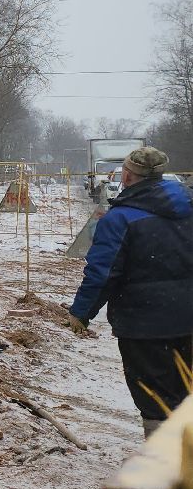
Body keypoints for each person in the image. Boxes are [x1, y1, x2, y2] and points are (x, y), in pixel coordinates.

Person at [69, 146, 193, 436]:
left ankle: (166, 468)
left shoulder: (119, 220)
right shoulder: (189, 210)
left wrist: (80, 314)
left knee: (155, 396)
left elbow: (102, 274)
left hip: (144, 326)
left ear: (126, 175)